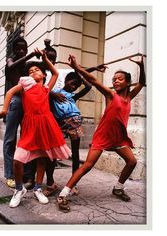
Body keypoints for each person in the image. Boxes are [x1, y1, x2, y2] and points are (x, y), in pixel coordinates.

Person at [56, 54, 146, 212]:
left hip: (119, 138)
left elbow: (143, 83)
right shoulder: (111, 95)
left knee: (132, 162)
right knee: (87, 166)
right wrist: (77, 68)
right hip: (103, 135)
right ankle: (63, 194)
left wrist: (141, 66)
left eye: (119, 79)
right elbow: (94, 80)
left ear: (127, 82)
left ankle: (118, 188)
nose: (115, 81)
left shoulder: (129, 98)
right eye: (114, 79)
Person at [0, 48, 71, 208]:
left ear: (43, 75)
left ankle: (38, 188)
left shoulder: (45, 89)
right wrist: (4, 109)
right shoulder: (25, 85)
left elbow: (55, 73)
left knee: (42, 158)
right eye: (30, 71)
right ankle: (19, 189)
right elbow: (9, 92)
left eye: (37, 70)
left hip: (45, 125)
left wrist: (45, 59)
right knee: (18, 160)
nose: (33, 72)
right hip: (30, 126)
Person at [43, 71, 92, 197]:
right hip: (59, 124)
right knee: (53, 154)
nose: (74, 86)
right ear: (66, 81)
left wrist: (80, 75)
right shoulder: (54, 93)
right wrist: (53, 94)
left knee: (75, 155)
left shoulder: (72, 96)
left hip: (74, 124)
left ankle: (73, 184)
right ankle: (50, 183)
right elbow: (43, 91)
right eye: (72, 83)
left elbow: (89, 87)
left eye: (77, 85)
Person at [2, 37, 40, 188]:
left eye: (24, 48)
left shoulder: (27, 64)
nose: (21, 51)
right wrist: (30, 55)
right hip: (16, 102)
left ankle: (26, 175)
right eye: (18, 48)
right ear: (13, 49)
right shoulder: (10, 61)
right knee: (10, 139)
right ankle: (10, 174)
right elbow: (11, 68)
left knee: (28, 139)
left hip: (29, 102)